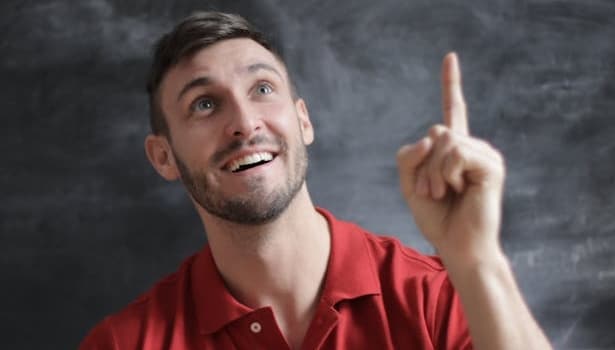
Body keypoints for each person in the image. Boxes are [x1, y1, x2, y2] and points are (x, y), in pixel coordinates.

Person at [80, 11, 552, 350]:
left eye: (262, 89)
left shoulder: (439, 298)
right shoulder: (125, 343)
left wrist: (478, 259)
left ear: (303, 121)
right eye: (204, 104)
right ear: (163, 156)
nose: (244, 123)